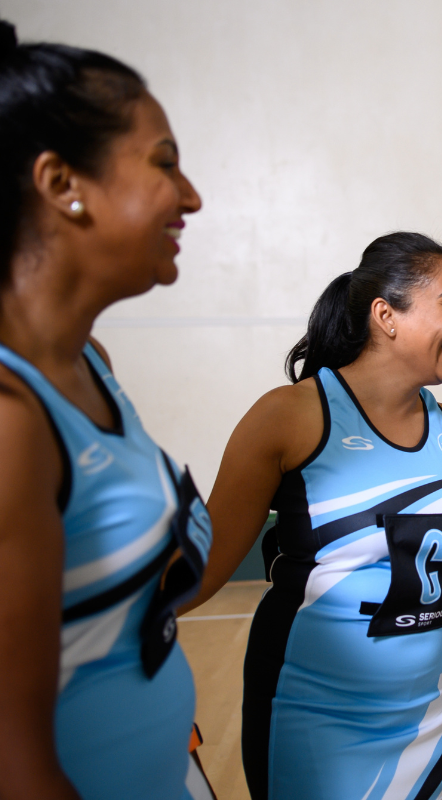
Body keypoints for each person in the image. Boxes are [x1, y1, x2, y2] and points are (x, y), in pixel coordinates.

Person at [182, 232, 442, 800]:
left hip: (426, 715)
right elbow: (202, 569)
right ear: (386, 315)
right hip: (315, 715)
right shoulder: (290, 416)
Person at [0, 21, 212, 799]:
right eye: (164, 163)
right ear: (62, 183)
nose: (191, 197)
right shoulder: (10, 420)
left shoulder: (91, 364)